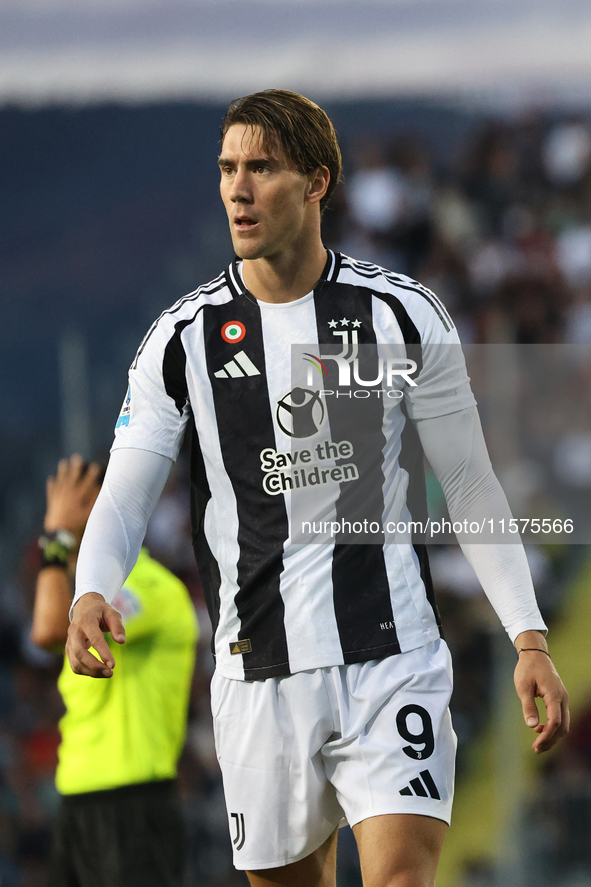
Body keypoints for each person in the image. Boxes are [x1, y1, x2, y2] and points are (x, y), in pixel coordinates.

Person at [66, 90, 569, 887]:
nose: (238, 188)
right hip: (257, 669)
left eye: (260, 167)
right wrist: (90, 587)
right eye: (228, 168)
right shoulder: (181, 340)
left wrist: (528, 637)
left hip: (390, 655)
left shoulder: (400, 315)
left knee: (400, 875)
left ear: (315, 183)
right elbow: (127, 489)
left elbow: (468, 481)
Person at [31, 454, 198, 887]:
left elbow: (48, 631)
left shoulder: (149, 586)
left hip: (134, 802)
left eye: (80, 502)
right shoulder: (79, 592)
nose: (66, 512)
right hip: (77, 798)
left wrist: (57, 537)